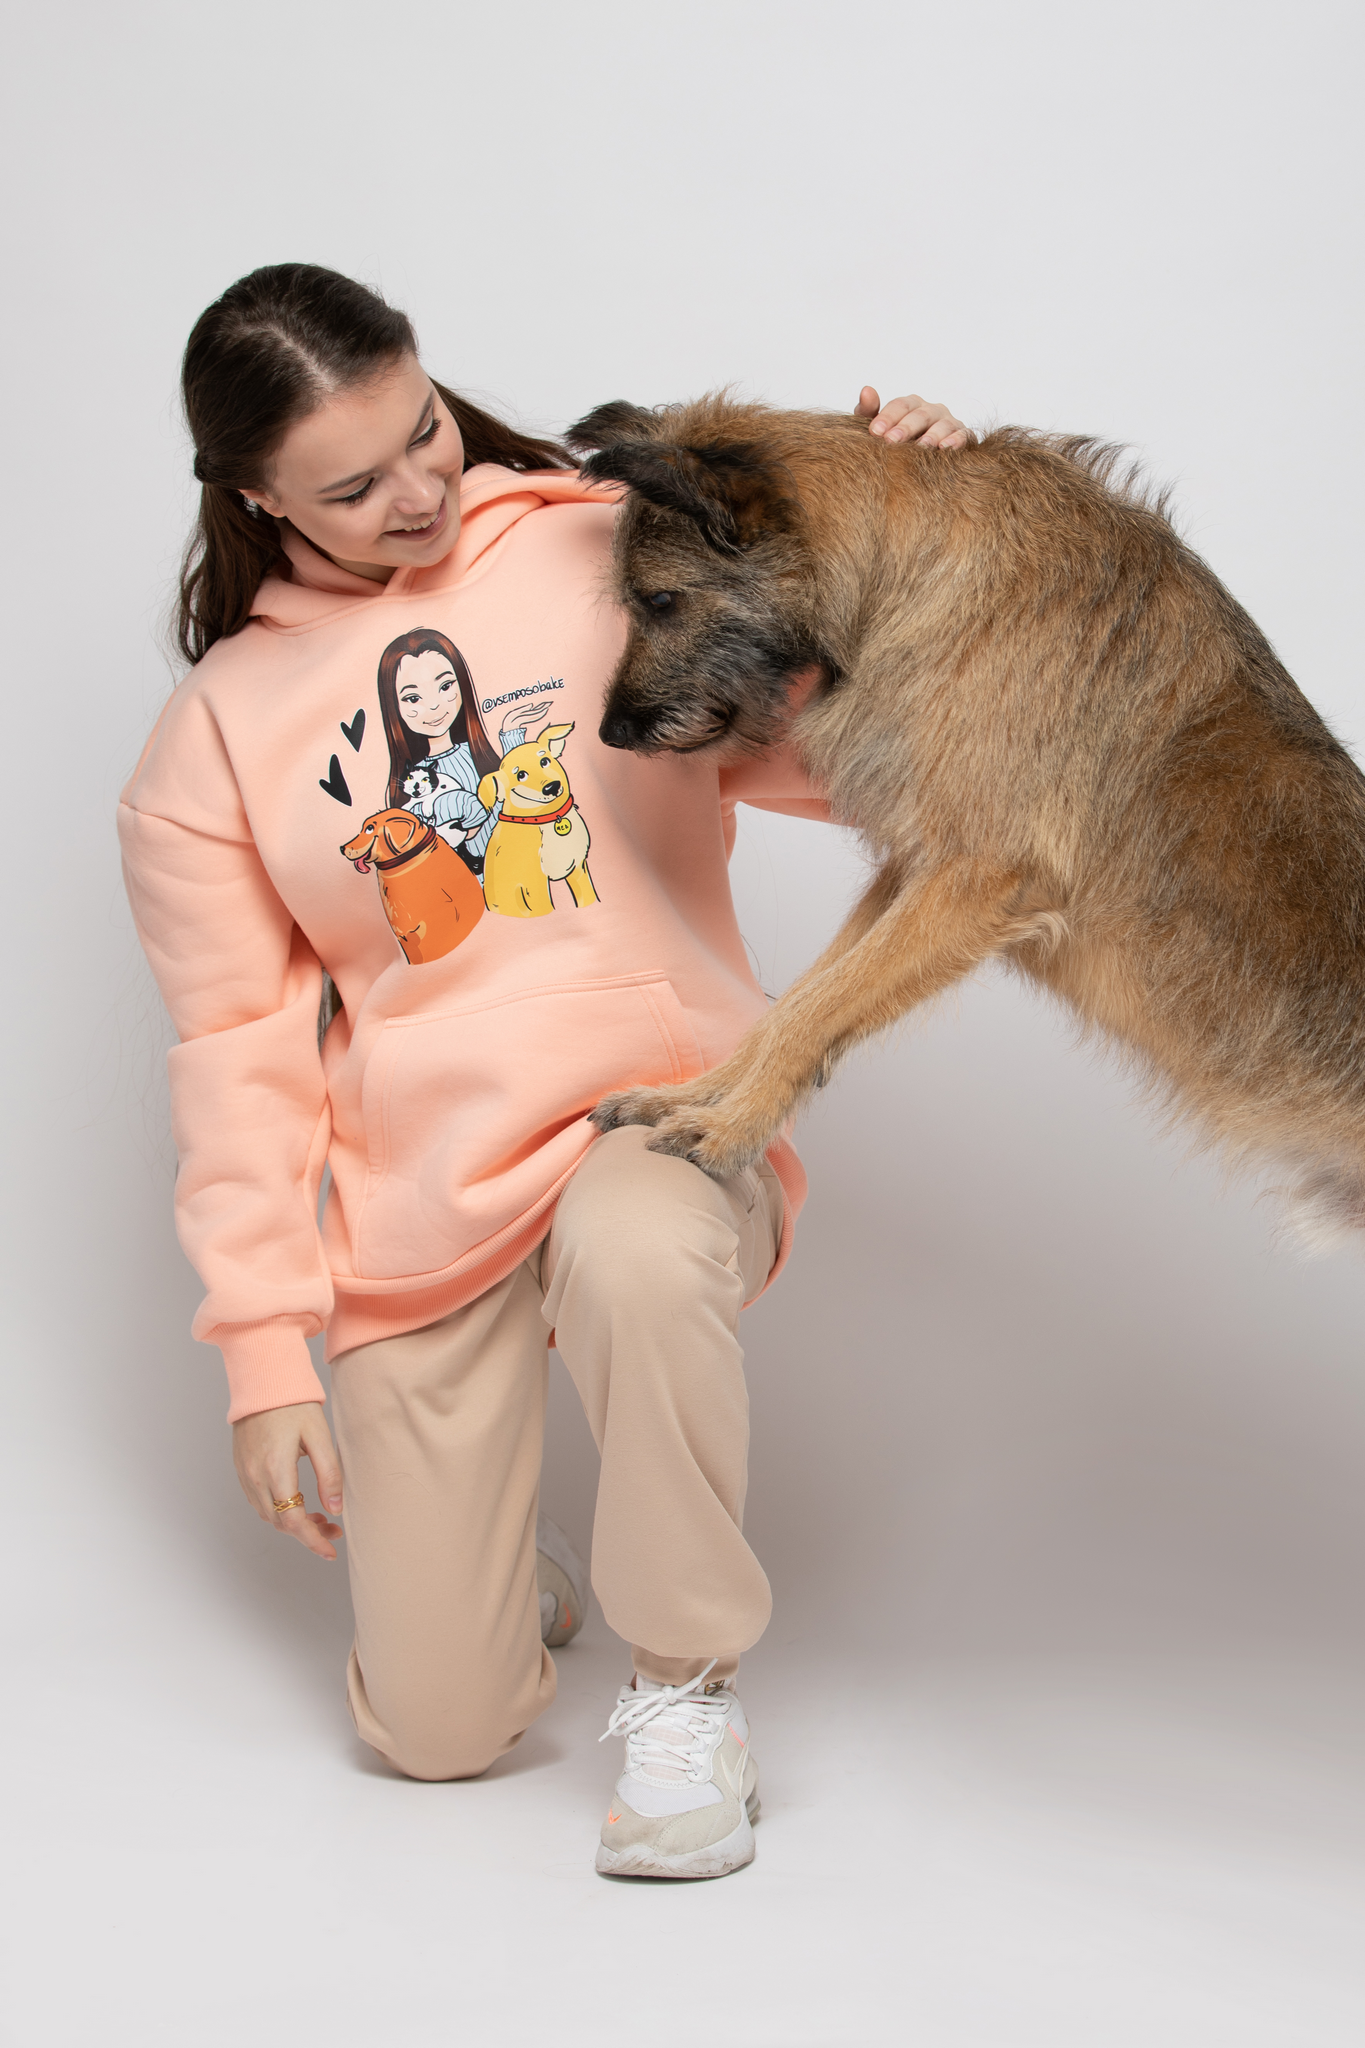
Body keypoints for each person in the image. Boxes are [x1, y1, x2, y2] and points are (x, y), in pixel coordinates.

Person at [119, 263, 967, 1880]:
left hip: (663, 1111)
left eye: (422, 431)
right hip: (425, 1194)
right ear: (255, 496)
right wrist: (264, 1358)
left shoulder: (606, 549)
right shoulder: (214, 739)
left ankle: (685, 1691)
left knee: (636, 1247)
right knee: (433, 1732)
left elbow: (864, 760)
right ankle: (509, 1570)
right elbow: (237, 1065)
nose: (417, 492)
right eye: (351, 488)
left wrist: (919, 524)